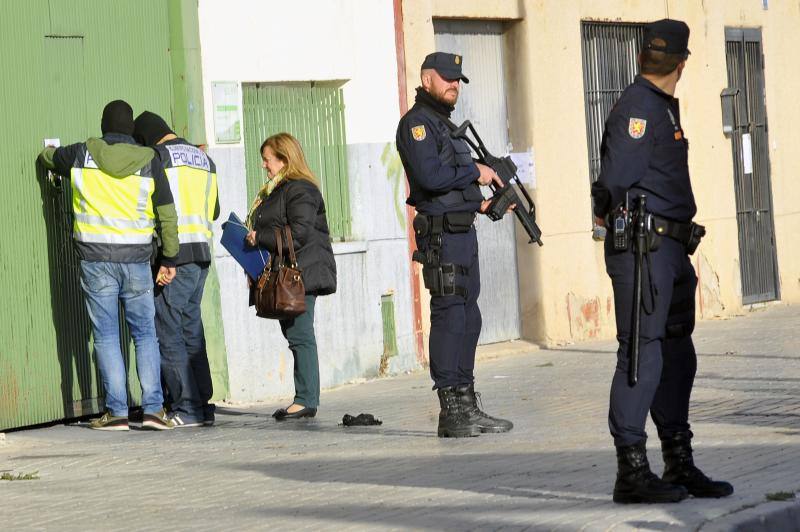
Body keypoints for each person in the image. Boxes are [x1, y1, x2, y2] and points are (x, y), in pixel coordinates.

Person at [591, 20, 734, 503]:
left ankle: (678, 462)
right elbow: (612, 185)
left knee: (676, 355)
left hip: (671, 251)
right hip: (644, 251)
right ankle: (631, 472)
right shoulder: (638, 108)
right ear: (682, 62)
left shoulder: (658, 108)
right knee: (641, 354)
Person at [38, 100, 178, 431]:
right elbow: (168, 216)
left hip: (96, 260)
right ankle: (153, 410)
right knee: (144, 333)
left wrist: (47, 152)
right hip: (137, 262)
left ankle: (116, 412)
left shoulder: (80, 154)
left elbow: (48, 158)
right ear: (132, 129)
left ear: (103, 126)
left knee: (105, 335)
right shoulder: (151, 161)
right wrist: (170, 257)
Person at [395, 52, 513, 438]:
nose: (454, 85)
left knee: (469, 317)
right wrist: (475, 170)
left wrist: (483, 203)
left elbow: (452, 186)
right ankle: (451, 410)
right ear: (426, 79)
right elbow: (429, 177)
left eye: (458, 80)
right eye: (447, 78)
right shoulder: (417, 125)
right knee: (450, 315)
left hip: (463, 232)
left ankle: (467, 404)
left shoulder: (445, 127)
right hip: (442, 237)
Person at [133, 111, 220, 428]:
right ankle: (204, 405)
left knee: (168, 331)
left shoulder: (157, 157)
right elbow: (215, 209)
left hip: (174, 254)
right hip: (201, 254)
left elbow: (153, 204)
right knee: (191, 331)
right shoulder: (204, 159)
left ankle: (186, 408)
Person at [244, 133, 336, 420]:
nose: (264, 165)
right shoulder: (278, 190)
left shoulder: (301, 189)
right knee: (294, 333)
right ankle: (304, 396)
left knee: (300, 333)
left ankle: (307, 398)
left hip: (302, 273)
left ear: (284, 160)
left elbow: (299, 233)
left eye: (267, 159)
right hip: (289, 272)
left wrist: (260, 237)